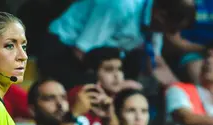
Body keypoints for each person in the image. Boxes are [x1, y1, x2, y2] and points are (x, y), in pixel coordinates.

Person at [40, 0, 196, 90]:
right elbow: (81, 51)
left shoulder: (156, 23)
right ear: (161, 15)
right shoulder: (120, 6)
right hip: (63, 47)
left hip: (103, 57)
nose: (173, 36)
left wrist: (183, 91)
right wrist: (115, 85)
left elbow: (155, 64)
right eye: (173, 30)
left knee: (134, 68)